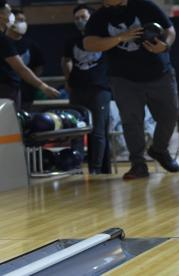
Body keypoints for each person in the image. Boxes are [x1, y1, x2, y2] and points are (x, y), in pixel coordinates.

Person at [83, 0, 179, 179]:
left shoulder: (144, 6)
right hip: (123, 78)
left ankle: (159, 150)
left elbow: (170, 30)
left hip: (159, 73)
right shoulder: (100, 16)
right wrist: (120, 38)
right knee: (131, 121)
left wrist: (165, 45)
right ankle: (138, 164)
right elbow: (89, 43)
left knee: (171, 114)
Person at [62, 4, 112, 174]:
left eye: (83, 17)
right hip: (77, 89)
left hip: (99, 89)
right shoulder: (71, 41)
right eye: (77, 18)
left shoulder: (104, 37)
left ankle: (96, 170)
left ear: (92, 17)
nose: (80, 21)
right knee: (76, 131)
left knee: (98, 132)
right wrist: (68, 80)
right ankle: (76, 167)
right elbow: (66, 60)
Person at [0, 2, 59, 110]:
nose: (11, 16)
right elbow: (20, 68)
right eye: (8, 12)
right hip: (6, 90)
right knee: (9, 124)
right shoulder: (3, 40)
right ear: (1, 15)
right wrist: (44, 87)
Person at [5, 9, 45, 110]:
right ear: (11, 22)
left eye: (24, 20)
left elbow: (39, 67)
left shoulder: (31, 45)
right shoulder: (3, 43)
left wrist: (31, 80)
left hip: (26, 92)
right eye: (19, 20)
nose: (22, 23)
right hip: (6, 90)